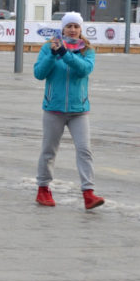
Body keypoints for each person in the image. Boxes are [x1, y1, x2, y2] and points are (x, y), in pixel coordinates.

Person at [33, 11, 105, 210]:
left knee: (84, 150)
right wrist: (53, 55)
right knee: (49, 151)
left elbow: (84, 70)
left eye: (76, 26)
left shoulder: (87, 50)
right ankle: (43, 189)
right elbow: (39, 73)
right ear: (62, 28)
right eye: (69, 26)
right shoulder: (49, 47)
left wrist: (65, 54)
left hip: (78, 110)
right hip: (53, 109)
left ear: (81, 29)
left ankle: (88, 193)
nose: (72, 30)